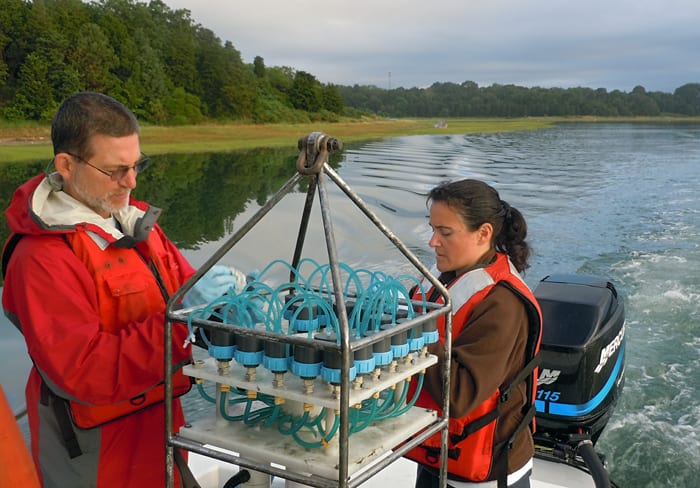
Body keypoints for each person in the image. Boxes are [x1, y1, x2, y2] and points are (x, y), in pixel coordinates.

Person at [1, 92, 242, 488]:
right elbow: (83, 371)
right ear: (66, 165)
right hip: (95, 452)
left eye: (136, 165)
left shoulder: (137, 227)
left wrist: (228, 305)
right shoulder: (40, 257)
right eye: (116, 170)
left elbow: (188, 292)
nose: (131, 182)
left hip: (162, 427)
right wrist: (184, 320)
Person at [404, 179, 543, 488]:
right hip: (435, 454)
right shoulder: (440, 283)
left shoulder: (503, 304)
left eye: (445, 232)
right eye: (433, 229)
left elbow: (459, 395)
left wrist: (414, 334)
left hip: (486, 472)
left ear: (483, 234)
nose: (432, 242)